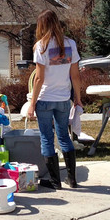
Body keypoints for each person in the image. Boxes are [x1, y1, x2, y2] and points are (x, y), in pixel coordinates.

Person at [27, 10, 82, 189]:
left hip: (45, 99)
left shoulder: (40, 46)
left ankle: (54, 180)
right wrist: (78, 99)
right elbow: (75, 76)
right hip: (64, 98)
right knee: (64, 137)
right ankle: (72, 179)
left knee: (46, 138)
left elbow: (38, 78)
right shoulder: (70, 44)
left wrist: (32, 103)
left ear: (41, 26)